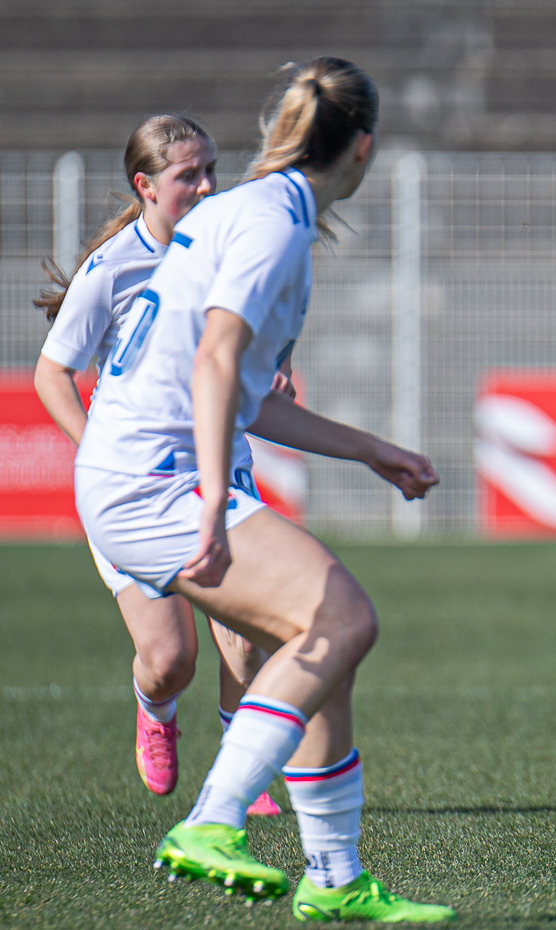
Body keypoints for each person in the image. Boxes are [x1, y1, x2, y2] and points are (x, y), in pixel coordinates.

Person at [75, 58, 453, 921]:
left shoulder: (250, 208)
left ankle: (335, 877)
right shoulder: (272, 225)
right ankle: (211, 821)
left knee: (320, 648)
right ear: (362, 149)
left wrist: (369, 450)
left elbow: (242, 395)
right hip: (152, 483)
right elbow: (213, 357)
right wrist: (213, 495)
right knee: (345, 618)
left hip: (133, 474)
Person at [34, 114, 282, 815]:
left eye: (211, 171)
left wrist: (277, 367)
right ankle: (156, 707)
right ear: (145, 186)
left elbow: (252, 330)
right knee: (173, 660)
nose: (206, 186)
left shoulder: (226, 249)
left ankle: (239, 775)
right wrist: (104, 453)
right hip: (134, 486)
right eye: (187, 176)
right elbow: (53, 375)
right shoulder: (111, 270)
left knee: (246, 631)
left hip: (217, 467)